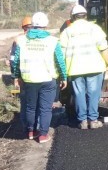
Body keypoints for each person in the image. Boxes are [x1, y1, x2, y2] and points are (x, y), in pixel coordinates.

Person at [10, 12, 67, 144]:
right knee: (45, 108)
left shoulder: (22, 40)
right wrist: (63, 77)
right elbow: (60, 61)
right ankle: (43, 135)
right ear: (46, 25)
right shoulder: (53, 41)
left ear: (32, 25)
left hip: (28, 79)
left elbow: (16, 61)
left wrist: (16, 76)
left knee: (30, 107)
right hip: (48, 79)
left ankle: (31, 131)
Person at [58, 4, 108, 130]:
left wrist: (62, 72)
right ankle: (93, 120)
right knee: (94, 93)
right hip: (95, 67)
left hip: (75, 68)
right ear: (86, 16)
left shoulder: (67, 31)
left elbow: (61, 53)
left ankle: (82, 121)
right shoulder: (95, 28)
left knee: (79, 94)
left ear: (73, 17)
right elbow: (103, 48)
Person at [8, 16, 33, 137]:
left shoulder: (18, 40)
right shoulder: (39, 39)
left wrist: (15, 77)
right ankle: (35, 128)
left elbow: (13, 60)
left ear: (23, 27)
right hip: (38, 76)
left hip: (23, 76)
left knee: (25, 103)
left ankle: (26, 128)